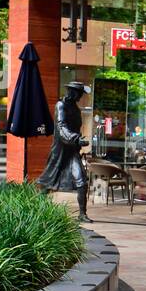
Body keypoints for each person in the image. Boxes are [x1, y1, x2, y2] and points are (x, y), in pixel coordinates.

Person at [36, 81, 91, 221]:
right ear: (73, 92)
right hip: (60, 151)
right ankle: (35, 207)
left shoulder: (76, 109)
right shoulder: (61, 105)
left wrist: (77, 140)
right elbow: (62, 127)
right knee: (49, 181)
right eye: (79, 94)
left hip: (72, 151)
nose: (80, 97)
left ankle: (82, 214)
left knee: (81, 181)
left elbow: (75, 129)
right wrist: (76, 139)